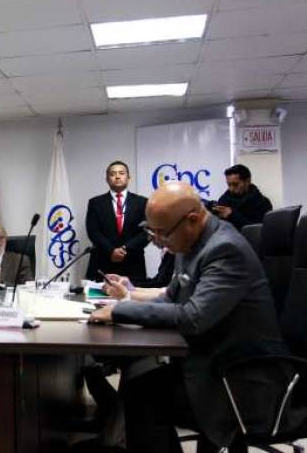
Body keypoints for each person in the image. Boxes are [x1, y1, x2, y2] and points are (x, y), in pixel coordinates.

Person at [89, 182, 285, 452]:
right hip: (215, 360)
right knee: (139, 382)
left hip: (241, 378)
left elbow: (193, 317)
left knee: (142, 394)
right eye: (151, 231)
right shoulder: (191, 243)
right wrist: (123, 303)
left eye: (161, 233)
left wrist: (119, 310)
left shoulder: (225, 250)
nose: (157, 240)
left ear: (192, 220)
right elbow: (171, 298)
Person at [85, 161, 149, 281]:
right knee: (96, 299)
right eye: (112, 174)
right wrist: (111, 251)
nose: (117, 176)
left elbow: (147, 232)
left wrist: (125, 249)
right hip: (102, 262)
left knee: (134, 297)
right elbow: (93, 231)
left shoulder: (142, 202)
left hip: (133, 263)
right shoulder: (95, 203)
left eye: (121, 173)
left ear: (128, 178)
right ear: (107, 179)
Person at [213, 164, 273, 231]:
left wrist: (232, 215)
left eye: (235, 184)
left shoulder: (263, 203)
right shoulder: (224, 200)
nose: (231, 189)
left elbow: (258, 230)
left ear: (248, 181)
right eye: (229, 184)